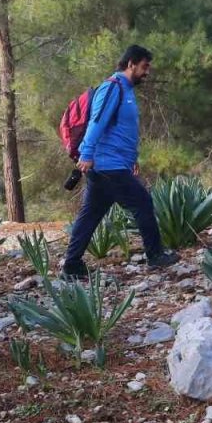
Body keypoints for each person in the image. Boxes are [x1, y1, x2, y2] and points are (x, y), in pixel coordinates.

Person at [61, 45, 179, 280]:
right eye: (144, 66)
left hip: (113, 164)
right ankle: (155, 255)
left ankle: (71, 265)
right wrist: (86, 153)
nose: (147, 72)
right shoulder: (112, 87)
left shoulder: (127, 90)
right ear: (131, 64)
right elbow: (97, 121)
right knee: (143, 202)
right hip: (107, 165)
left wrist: (131, 159)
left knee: (91, 214)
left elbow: (124, 131)